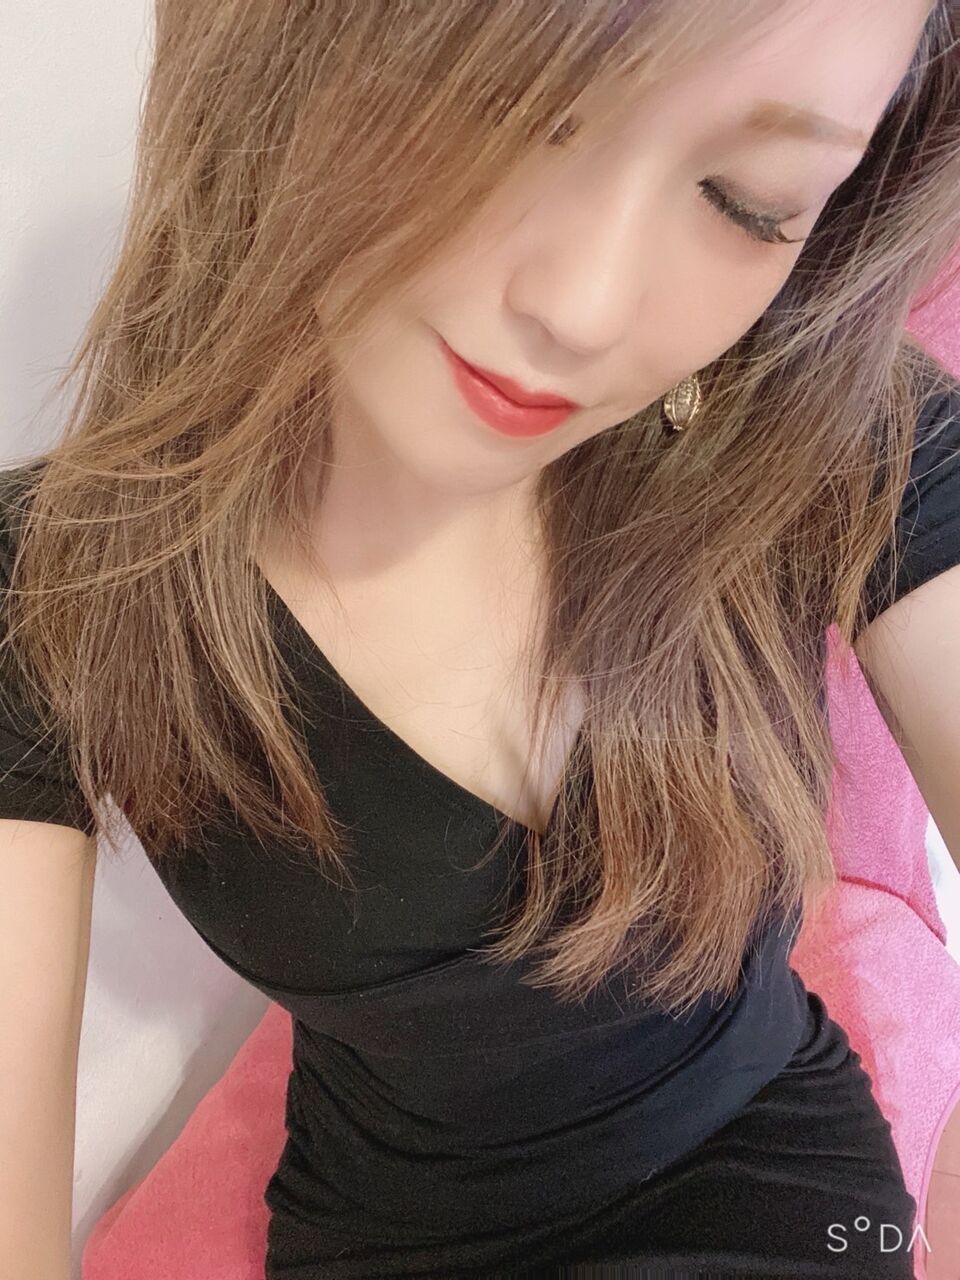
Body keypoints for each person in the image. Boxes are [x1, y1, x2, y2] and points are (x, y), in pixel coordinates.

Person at [1, 0, 959, 1276]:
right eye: (507, 102)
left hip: (767, 1177)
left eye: (748, 201)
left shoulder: (825, 427)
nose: (583, 305)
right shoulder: (58, 579)